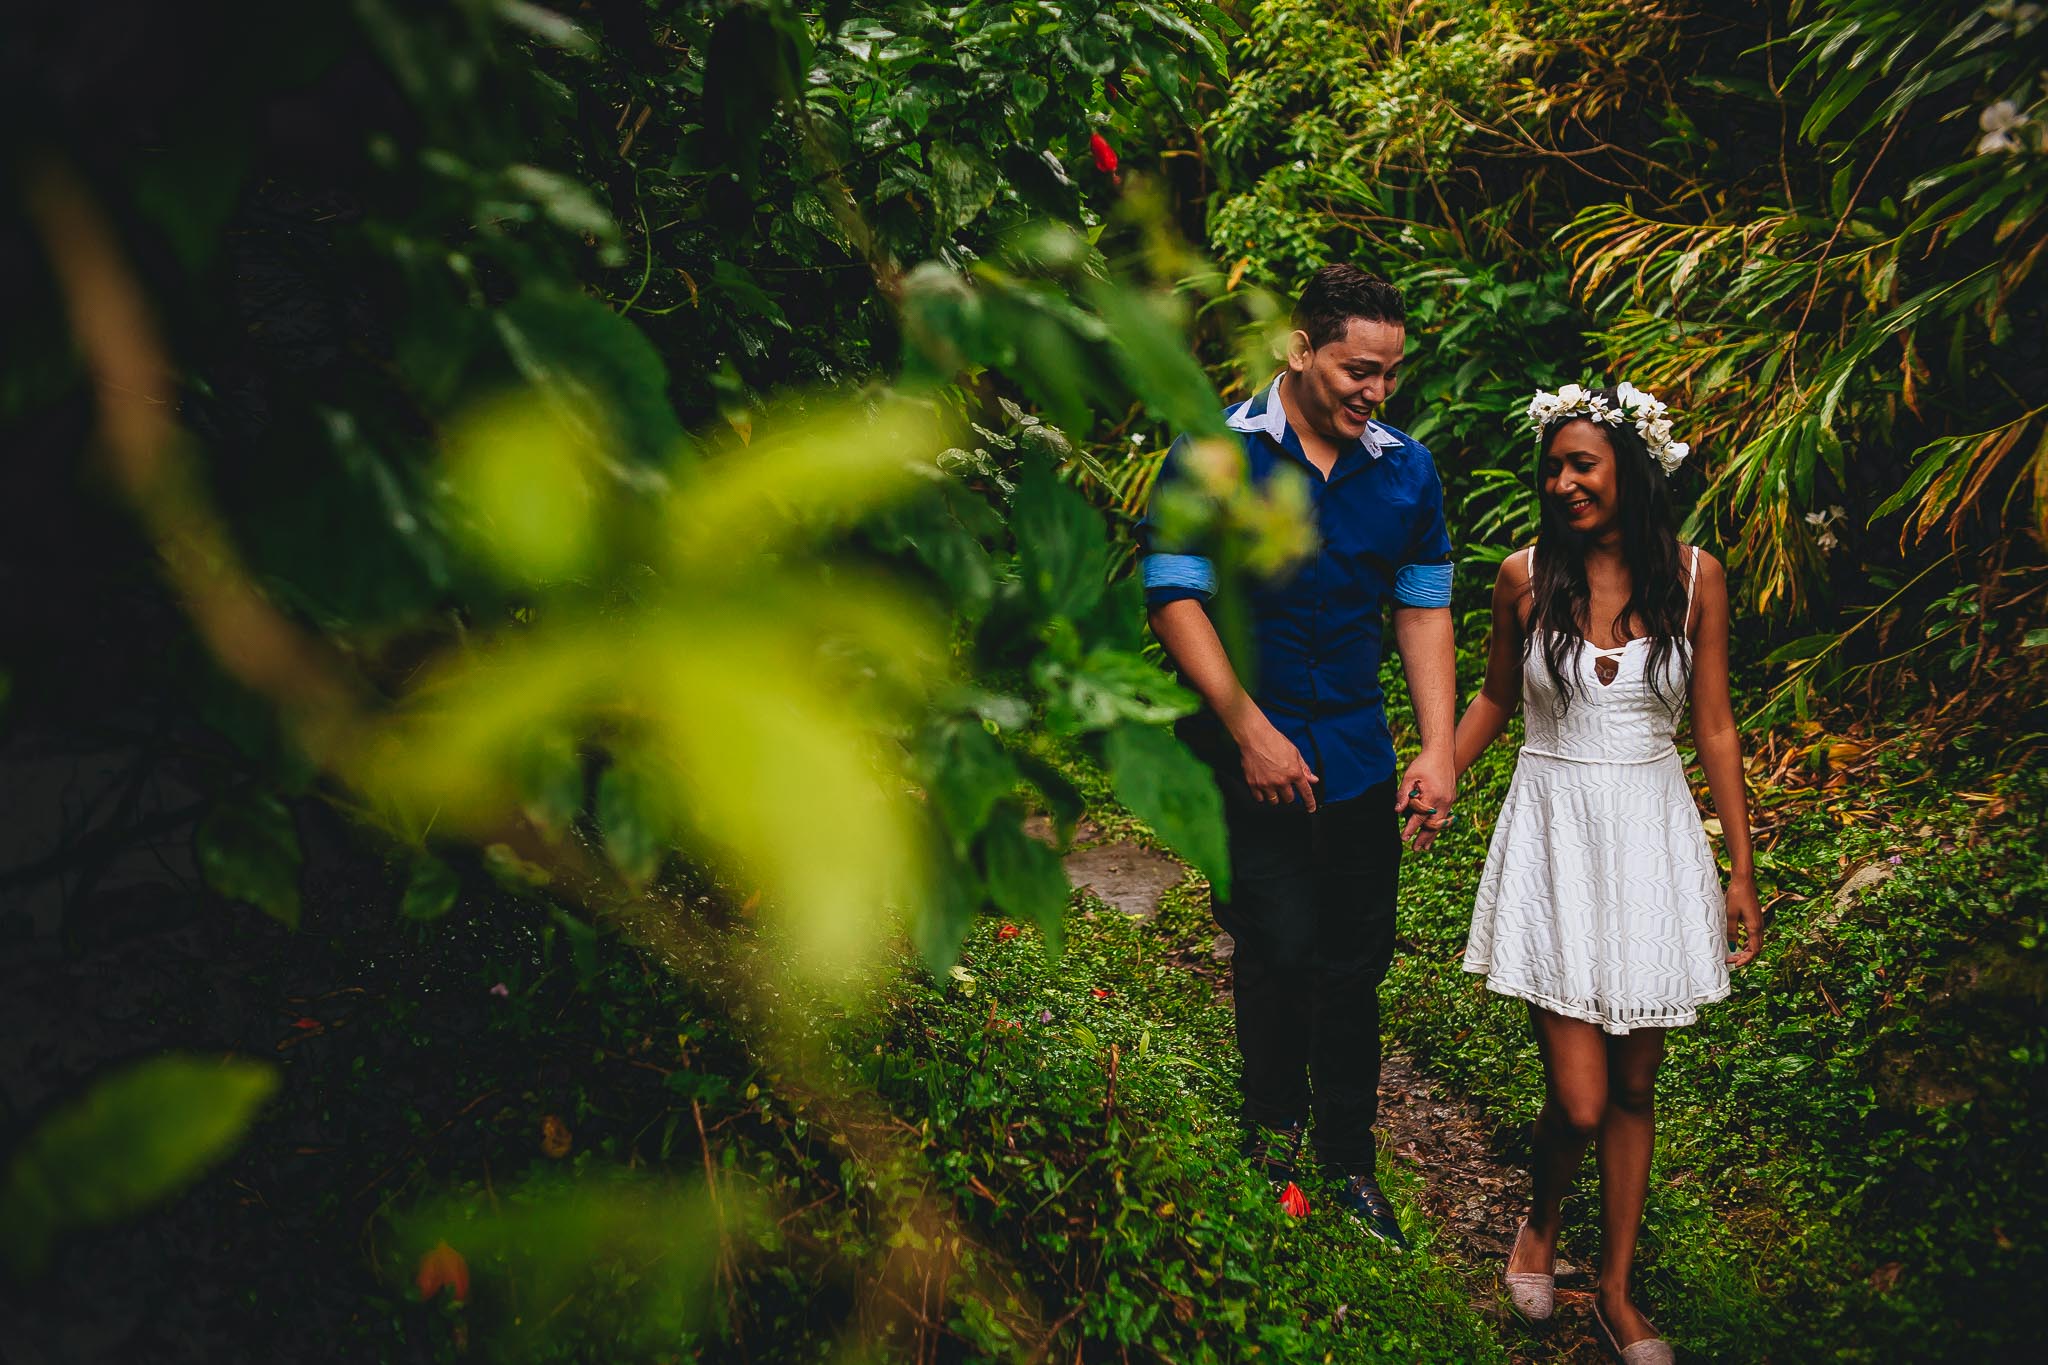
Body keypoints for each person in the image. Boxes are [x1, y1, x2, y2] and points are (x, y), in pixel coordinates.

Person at [1140, 265, 1458, 1248]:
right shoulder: (1213, 455)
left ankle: (1349, 1163)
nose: (1375, 391)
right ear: (1301, 349)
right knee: (1276, 948)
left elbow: (1421, 609)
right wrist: (1248, 729)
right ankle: (1270, 1145)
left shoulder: (1405, 470)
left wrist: (1438, 747)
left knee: (1354, 962)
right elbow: (1173, 597)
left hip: (1357, 752)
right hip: (1247, 749)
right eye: (1358, 370)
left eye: (1389, 374)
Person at [1450, 383, 1763, 1362]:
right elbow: (1494, 697)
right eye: (1552, 467)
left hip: (1650, 837)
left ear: (1628, 469)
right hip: (1554, 837)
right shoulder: (1523, 576)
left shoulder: (1695, 578)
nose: (1562, 483)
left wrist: (1739, 868)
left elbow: (1713, 725)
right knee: (1580, 1097)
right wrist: (1432, 775)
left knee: (1633, 1084)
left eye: (1580, 464)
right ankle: (1540, 1222)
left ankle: (1616, 1292)